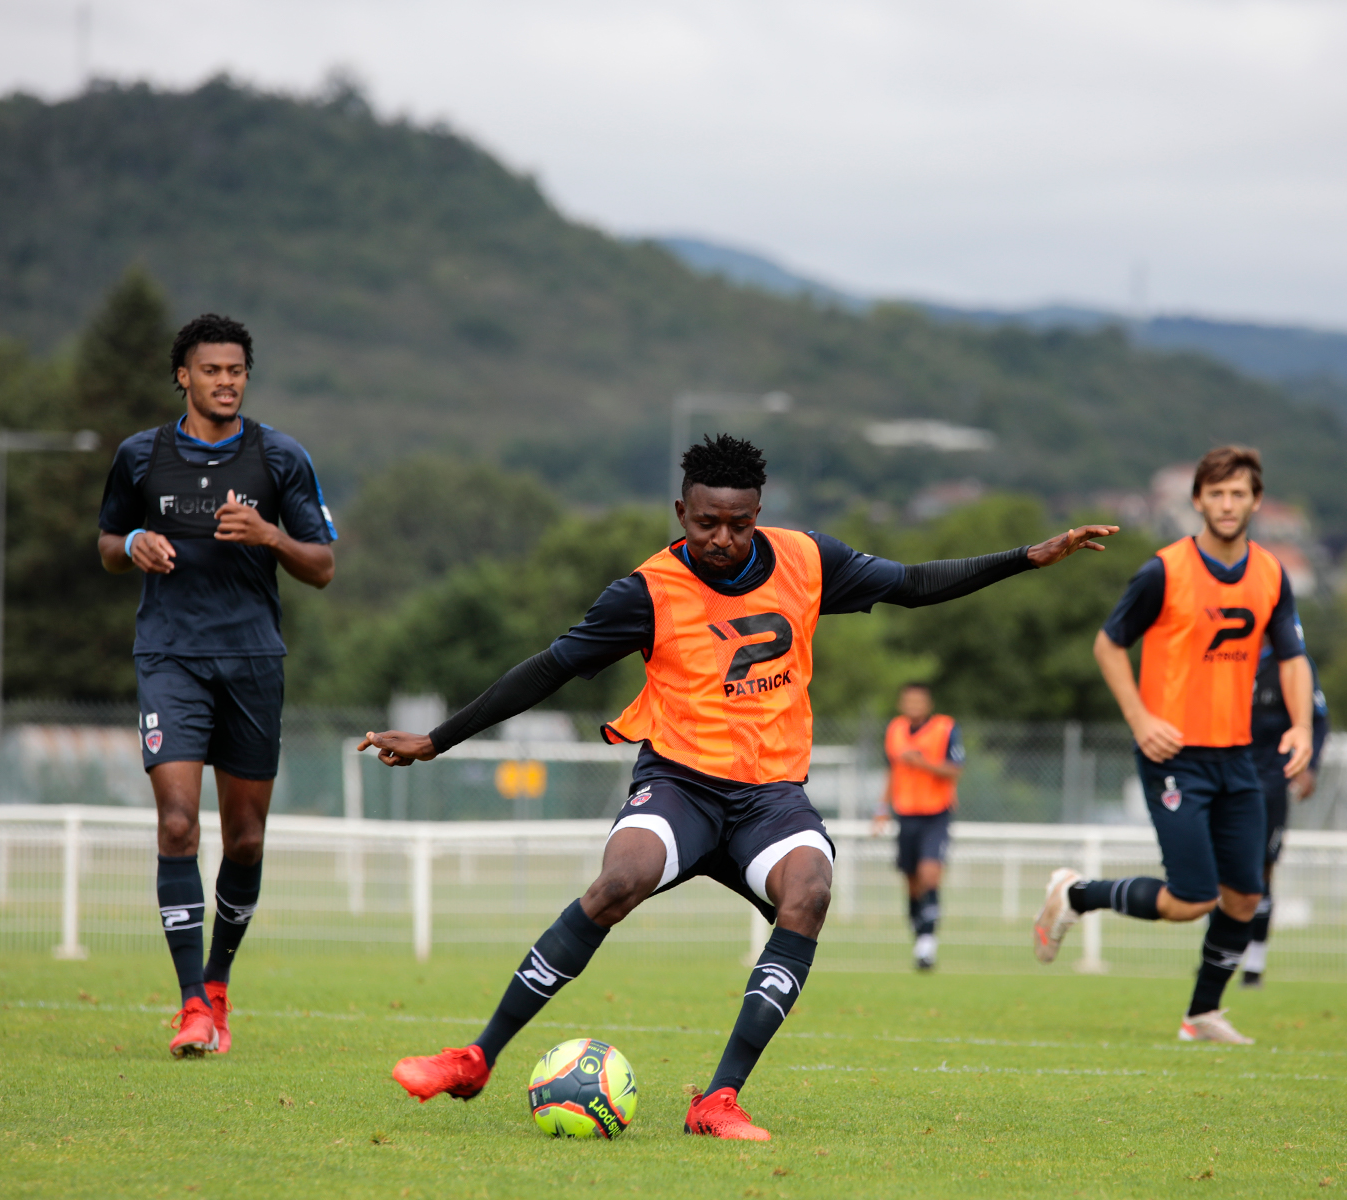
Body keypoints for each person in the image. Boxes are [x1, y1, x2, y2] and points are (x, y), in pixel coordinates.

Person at [361, 433, 1116, 1139]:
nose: (722, 539)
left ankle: (719, 1098)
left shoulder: (806, 560)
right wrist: (436, 740)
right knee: (617, 881)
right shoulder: (644, 593)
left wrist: (1027, 556)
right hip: (681, 787)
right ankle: (477, 1058)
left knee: (811, 894)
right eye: (707, 523)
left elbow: (913, 584)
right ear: (681, 512)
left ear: (759, 513)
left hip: (770, 800)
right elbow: (550, 668)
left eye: (739, 523)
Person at [97, 314, 336, 1058]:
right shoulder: (141, 457)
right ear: (184, 376)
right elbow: (106, 543)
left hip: (253, 663)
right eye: (211, 371)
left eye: (236, 371)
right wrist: (133, 543)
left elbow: (322, 565)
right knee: (176, 825)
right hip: (169, 657)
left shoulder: (280, 457)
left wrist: (271, 537)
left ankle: (220, 980)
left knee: (247, 837)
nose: (225, 382)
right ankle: (191, 1005)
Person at [1032, 445, 1313, 1045]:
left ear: (1256, 501)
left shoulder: (1271, 572)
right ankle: (1076, 894)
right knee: (1193, 898)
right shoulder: (1164, 570)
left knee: (1245, 897)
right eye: (1217, 493)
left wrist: (1302, 726)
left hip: (1238, 756)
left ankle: (1201, 1015)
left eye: (1239, 493)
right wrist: (1140, 720)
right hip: (1174, 756)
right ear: (1197, 501)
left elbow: (1293, 658)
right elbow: (1109, 645)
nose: (1228, 504)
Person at [1242, 644, 1329, 988]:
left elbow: (1318, 721)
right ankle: (1217, 955)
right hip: (1224, 778)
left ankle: (1253, 965)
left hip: (1270, 785)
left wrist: (1309, 768)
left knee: (1263, 871)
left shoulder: (1291, 662)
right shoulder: (1223, 652)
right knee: (1221, 871)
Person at [872, 683, 964, 970]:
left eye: (919, 700)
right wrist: (881, 808)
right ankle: (919, 933)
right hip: (906, 814)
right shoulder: (895, 730)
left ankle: (927, 943)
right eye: (908, 700)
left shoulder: (945, 728)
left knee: (930, 874)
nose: (913, 705)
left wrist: (923, 763)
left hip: (936, 813)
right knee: (911, 881)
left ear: (928, 703)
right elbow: (892, 770)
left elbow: (955, 769)